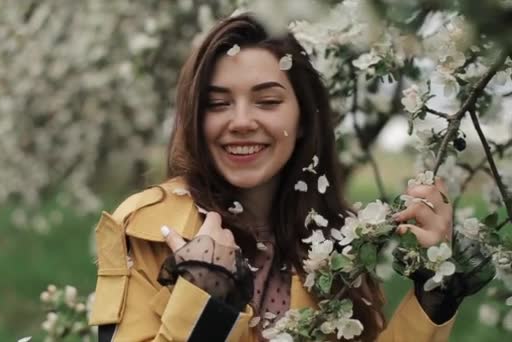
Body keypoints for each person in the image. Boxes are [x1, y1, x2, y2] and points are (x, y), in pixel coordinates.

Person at [89, 14, 463, 341]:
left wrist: (433, 298)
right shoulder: (148, 228)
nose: (241, 122)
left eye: (267, 101)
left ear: (302, 119)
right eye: (218, 104)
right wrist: (202, 305)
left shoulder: (339, 239)